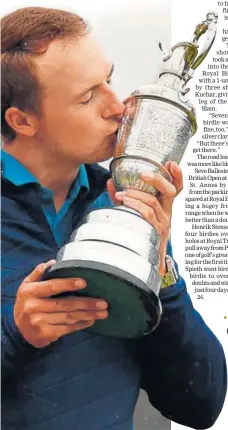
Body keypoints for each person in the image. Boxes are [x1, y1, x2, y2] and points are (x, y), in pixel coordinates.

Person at [1, 7, 227, 430]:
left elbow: (202, 404)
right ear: (22, 120)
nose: (119, 106)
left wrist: (163, 273)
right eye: (88, 96)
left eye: (109, 79)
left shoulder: (124, 203)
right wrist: (16, 334)